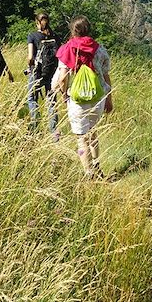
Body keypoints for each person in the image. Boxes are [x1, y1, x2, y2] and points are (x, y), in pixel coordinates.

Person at [53, 16, 113, 178]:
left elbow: (62, 78)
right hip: (97, 97)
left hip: (78, 100)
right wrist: (109, 98)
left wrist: (64, 94)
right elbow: (106, 75)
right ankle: (97, 166)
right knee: (92, 133)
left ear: (73, 31)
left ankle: (89, 174)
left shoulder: (68, 49)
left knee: (81, 138)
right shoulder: (99, 49)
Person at [27, 13, 60, 137]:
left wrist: (30, 67)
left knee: (32, 98)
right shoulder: (55, 36)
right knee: (51, 101)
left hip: (37, 72)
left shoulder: (32, 36)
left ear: (37, 22)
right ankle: (54, 132)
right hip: (51, 74)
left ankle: (36, 129)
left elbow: (30, 57)